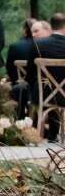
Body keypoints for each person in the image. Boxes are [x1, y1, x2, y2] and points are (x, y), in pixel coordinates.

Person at [25, 13, 65, 141]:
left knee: (43, 84)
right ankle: (53, 134)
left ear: (52, 26)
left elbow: (30, 73)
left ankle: (40, 134)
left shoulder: (37, 44)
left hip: (44, 93)